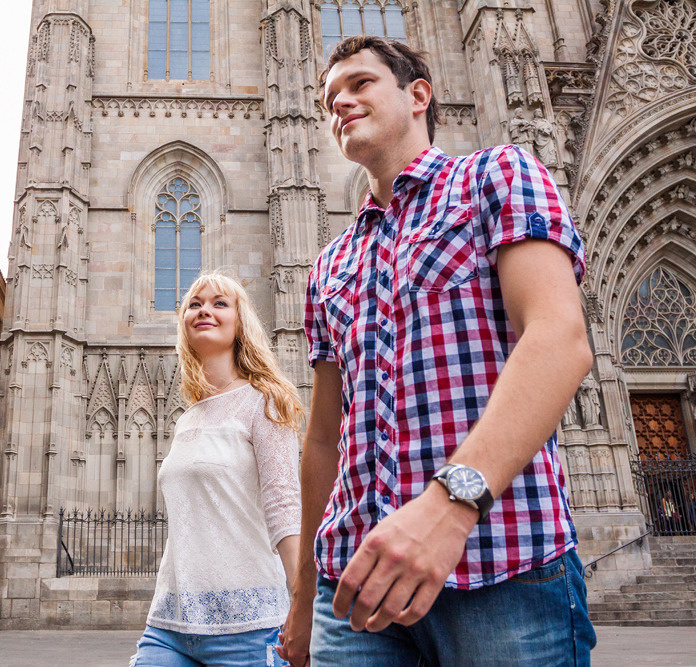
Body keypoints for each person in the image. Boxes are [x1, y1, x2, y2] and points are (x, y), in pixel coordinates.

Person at [278, 36, 597, 666]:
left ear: (418, 95)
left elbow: (559, 338)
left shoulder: (496, 176)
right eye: (328, 98)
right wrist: (302, 598)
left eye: (360, 84)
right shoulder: (330, 264)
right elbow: (323, 440)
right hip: (355, 599)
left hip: (498, 569)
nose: (339, 101)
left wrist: (450, 507)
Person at [130, 272, 304, 666]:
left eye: (219, 303)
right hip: (170, 625)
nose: (204, 310)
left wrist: (303, 604)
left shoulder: (265, 401)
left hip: (251, 624)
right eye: (195, 304)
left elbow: (283, 505)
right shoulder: (187, 418)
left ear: (241, 323)